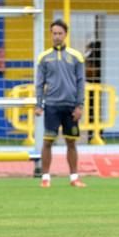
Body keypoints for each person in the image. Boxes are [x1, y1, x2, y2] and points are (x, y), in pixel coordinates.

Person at [34, 19, 87, 188]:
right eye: (54, 33)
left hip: (71, 106)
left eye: (60, 33)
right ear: (51, 34)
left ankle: (74, 178)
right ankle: (45, 178)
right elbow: (39, 83)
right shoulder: (44, 57)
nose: (57, 36)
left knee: (71, 142)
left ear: (65, 35)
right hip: (52, 106)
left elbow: (80, 82)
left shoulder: (76, 57)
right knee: (47, 141)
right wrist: (39, 104)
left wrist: (80, 106)